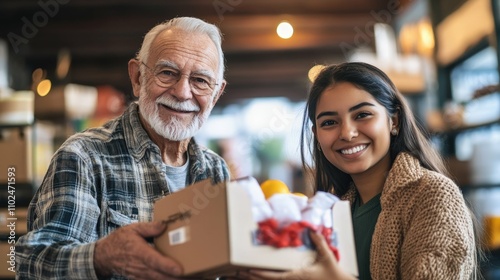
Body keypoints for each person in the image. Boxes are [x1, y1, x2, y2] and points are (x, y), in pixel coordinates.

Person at [16, 17, 230, 279]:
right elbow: (33, 266)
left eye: (200, 80)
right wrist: (101, 258)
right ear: (138, 77)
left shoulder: (216, 170)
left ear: (216, 94)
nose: (183, 92)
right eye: (167, 73)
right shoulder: (83, 157)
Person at [245, 62, 478, 279]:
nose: (347, 133)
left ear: (393, 121)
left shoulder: (434, 196)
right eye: (329, 122)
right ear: (317, 135)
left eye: (362, 115)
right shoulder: (333, 210)